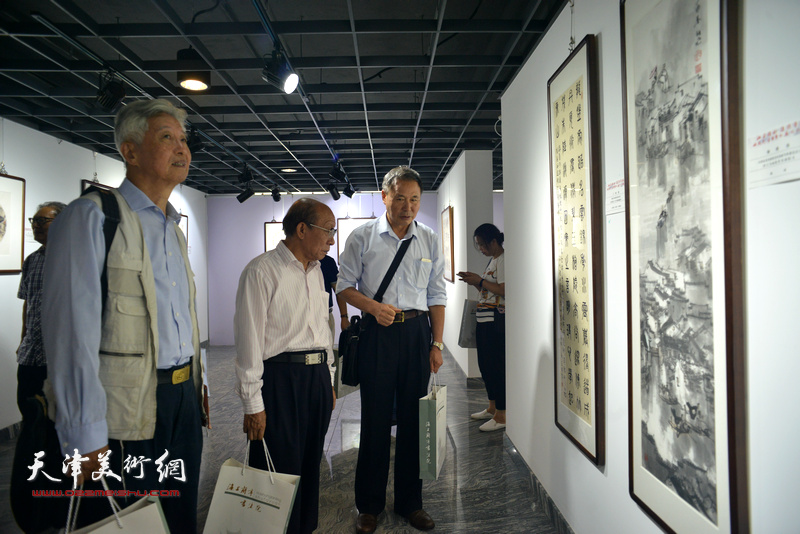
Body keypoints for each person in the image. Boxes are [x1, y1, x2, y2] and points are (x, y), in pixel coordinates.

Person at [42, 99, 208, 533]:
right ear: (130, 151)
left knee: (178, 517)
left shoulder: (172, 229)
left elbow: (181, 320)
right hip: (124, 411)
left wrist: (197, 382)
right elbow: (70, 335)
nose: (182, 149)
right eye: (167, 137)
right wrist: (84, 436)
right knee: (126, 521)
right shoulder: (92, 218)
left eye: (184, 139)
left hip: (180, 405)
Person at [337, 166, 446, 533]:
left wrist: (437, 342)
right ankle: (368, 505)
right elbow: (344, 286)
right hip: (378, 336)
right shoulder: (362, 237)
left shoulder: (429, 239)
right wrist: (372, 307)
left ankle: (410, 503)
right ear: (385, 196)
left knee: (416, 422)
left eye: (414, 199)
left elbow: (436, 295)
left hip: (417, 333)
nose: (408, 206)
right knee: (375, 422)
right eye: (400, 198)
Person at [234, 198, 337, 534]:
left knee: (310, 463)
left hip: (316, 377)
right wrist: (253, 404)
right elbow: (249, 342)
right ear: (302, 229)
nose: (331, 241)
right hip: (281, 379)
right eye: (328, 232)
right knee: (277, 468)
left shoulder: (318, 271)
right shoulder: (261, 271)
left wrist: (330, 378)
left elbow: (323, 327)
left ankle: (304, 528)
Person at [16, 201, 66, 418]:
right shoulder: (32, 260)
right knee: (29, 411)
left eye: (42, 220)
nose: (35, 225)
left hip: (58, 358)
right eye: (34, 220)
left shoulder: (74, 259)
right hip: (30, 355)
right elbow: (28, 303)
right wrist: (22, 340)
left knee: (55, 421)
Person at [456, 224, 506, 432]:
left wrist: (481, 280)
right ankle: (492, 408)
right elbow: (488, 290)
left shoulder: (504, 259)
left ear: (493, 242)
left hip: (496, 321)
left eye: (482, 245)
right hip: (484, 321)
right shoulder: (492, 260)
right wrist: (475, 282)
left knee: (496, 368)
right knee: (485, 367)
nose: (481, 249)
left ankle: (502, 415)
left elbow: (504, 290)